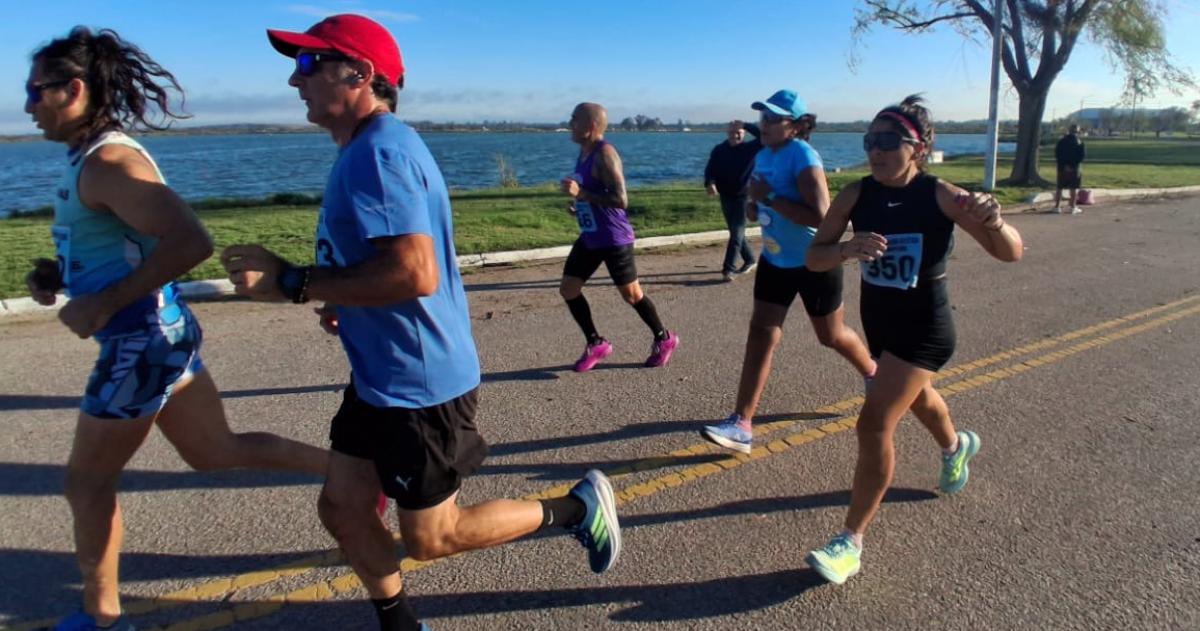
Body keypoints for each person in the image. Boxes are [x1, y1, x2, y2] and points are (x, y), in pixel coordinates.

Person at [220, 15, 621, 631]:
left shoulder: (379, 153)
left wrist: (296, 281)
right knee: (345, 506)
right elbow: (384, 266)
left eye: (308, 63)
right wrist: (345, 299)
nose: (294, 79)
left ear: (360, 74)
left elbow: (415, 273)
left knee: (434, 538)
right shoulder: (368, 149)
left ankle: (574, 509)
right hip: (383, 375)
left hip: (419, 384)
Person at [22, 27, 330, 631]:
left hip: (139, 345)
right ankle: (355, 473)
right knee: (218, 452)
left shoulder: (109, 163)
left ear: (74, 89)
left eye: (37, 91)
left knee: (86, 483)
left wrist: (103, 303)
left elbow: (191, 240)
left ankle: (103, 619)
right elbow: (119, 243)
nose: (28, 105)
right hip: (161, 337)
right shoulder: (92, 159)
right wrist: (60, 275)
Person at [803, 95, 1023, 585]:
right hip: (881, 325)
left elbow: (1010, 253)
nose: (875, 151)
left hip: (926, 328)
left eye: (887, 142)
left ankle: (850, 543)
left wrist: (995, 221)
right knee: (918, 397)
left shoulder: (942, 195)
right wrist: (846, 249)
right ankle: (954, 447)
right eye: (869, 141)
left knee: (875, 421)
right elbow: (814, 257)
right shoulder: (856, 195)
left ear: (917, 148)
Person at [701, 90, 877, 454]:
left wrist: (767, 199)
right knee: (761, 332)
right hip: (776, 260)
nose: (762, 125)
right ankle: (742, 423)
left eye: (772, 119)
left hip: (814, 261)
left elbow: (823, 217)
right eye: (762, 117)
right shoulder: (763, 154)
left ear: (794, 126)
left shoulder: (803, 156)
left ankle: (874, 375)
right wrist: (754, 207)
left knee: (831, 336)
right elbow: (763, 199)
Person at [559, 102, 680, 372]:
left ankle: (664, 338)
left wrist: (581, 194)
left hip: (614, 239)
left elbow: (620, 200)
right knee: (568, 289)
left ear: (590, 127)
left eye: (574, 120)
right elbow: (594, 193)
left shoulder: (606, 154)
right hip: (591, 236)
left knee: (632, 295)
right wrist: (580, 206)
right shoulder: (584, 152)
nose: (570, 124)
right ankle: (596, 342)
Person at [704, 120, 762, 281]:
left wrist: (746, 125)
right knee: (736, 233)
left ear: (743, 134)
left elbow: (762, 137)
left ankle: (728, 269)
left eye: (739, 133)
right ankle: (750, 259)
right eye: (732, 132)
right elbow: (710, 169)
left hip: (743, 196)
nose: (735, 135)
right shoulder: (719, 150)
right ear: (727, 133)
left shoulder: (750, 148)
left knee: (736, 233)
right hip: (725, 196)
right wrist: (710, 183)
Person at [1054, 124, 1086, 214]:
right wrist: (1072, 166)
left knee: (1059, 187)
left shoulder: (1062, 141)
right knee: (1073, 188)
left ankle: (1057, 207)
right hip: (1075, 168)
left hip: (1062, 168)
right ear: (1078, 131)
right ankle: (1073, 207)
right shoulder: (1079, 142)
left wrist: (1064, 165)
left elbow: (1057, 154)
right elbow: (1081, 156)